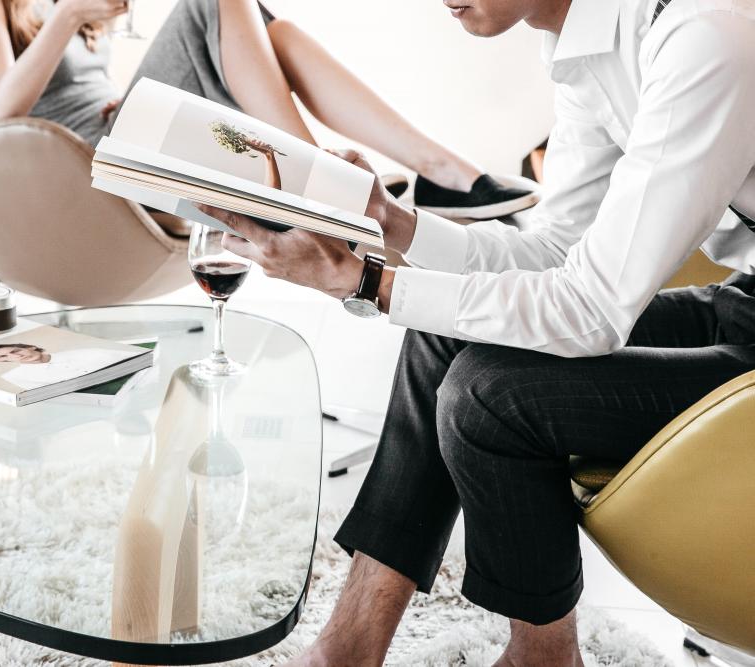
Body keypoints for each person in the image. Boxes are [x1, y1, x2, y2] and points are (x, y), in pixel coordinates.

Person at [196, 0, 755, 664]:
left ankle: (542, 658)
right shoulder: (587, 45)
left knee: (487, 396)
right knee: (442, 337)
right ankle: (346, 648)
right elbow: (553, 253)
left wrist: (370, 282)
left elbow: (590, 309)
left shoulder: (705, 35)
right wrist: (391, 222)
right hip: (742, 304)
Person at [0, 0, 537, 219]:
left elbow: (74, 88)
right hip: (92, 160)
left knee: (274, 31)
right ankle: (315, 176)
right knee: (211, 3)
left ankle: (441, 171)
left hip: (121, 123)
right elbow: (3, 106)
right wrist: (68, 16)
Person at [0, 342, 134, 390]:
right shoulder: (15, 377)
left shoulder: (88, 351)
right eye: (4, 356)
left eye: (16, 350)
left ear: (29, 347)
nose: (18, 356)